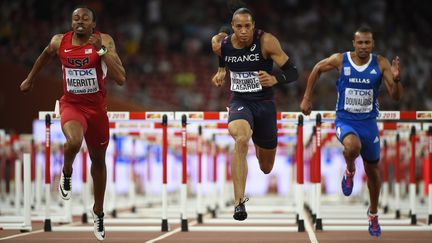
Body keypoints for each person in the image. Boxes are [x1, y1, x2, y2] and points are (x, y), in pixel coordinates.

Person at [20, 6, 126, 241]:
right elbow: (45, 55)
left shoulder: (104, 40)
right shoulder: (60, 42)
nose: (80, 21)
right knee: (74, 141)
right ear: (71, 22)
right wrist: (30, 78)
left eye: (85, 18)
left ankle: (98, 211)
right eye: (76, 18)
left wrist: (101, 50)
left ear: (93, 24)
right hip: (72, 105)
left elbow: (120, 78)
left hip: (97, 110)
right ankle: (67, 172)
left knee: (98, 161)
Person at [300, 26, 402, 237]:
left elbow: (396, 96)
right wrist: (307, 97)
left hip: (368, 123)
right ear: (353, 43)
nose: (364, 46)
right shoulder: (341, 59)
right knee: (352, 147)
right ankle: (350, 171)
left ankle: (373, 214)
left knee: (374, 171)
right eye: (360, 43)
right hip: (345, 120)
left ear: (372, 44)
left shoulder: (380, 62)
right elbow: (318, 68)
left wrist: (397, 79)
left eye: (367, 43)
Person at [211, 6, 298, 221]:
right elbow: (223, 54)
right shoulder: (220, 44)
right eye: (238, 27)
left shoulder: (266, 41)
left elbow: (293, 71)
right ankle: (239, 203)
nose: (243, 31)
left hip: (265, 104)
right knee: (241, 139)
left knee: (266, 167)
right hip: (240, 102)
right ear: (232, 28)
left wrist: (276, 79)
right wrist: (222, 69)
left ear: (253, 26)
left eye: (247, 26)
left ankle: (259, 141)